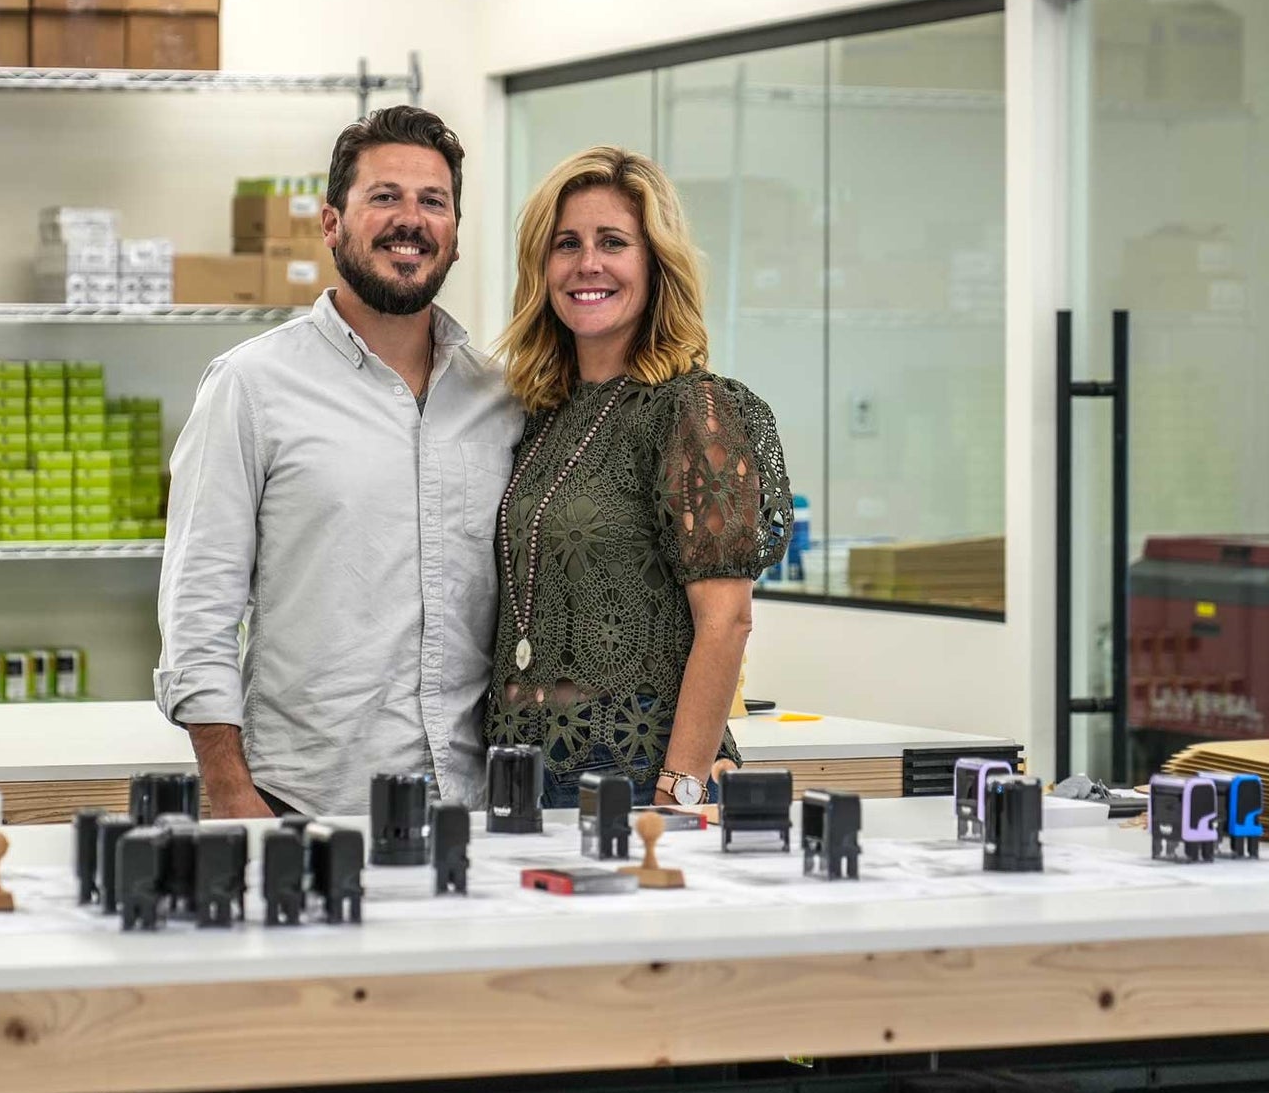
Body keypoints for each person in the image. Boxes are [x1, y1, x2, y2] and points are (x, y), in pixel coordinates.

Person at [156, 106, 522, 817]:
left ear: (453, 235)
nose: (410, 219)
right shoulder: (251, 386)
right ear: (331, 223)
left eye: (433, 202)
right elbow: (198, 608)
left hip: (474, 809)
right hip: (305, 805)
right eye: (384, 196)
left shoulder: (500, 399)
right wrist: (232, 795)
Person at [487, 146, 792, 810]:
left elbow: (727, 621)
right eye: (566, 244)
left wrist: (679, 787)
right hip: (521, 763)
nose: (587, 264)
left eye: (613, 242)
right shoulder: (542, 415)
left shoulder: (696, 412)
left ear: (655, 266)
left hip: (635, 767)